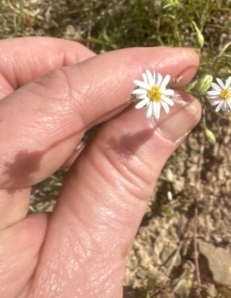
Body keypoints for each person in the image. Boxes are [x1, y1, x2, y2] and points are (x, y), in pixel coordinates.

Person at [0, 37, 201, 297]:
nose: (154, 93)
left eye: (155, 92)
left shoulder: (153, 95)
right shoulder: (151, 95)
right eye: (153, 92)